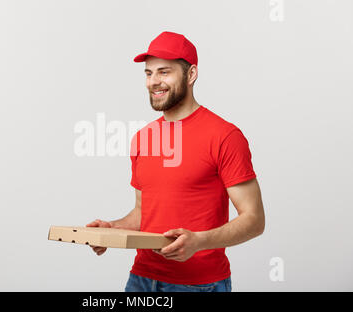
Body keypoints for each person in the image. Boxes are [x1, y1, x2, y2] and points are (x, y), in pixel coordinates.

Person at [86, 31, 265, 292]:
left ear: (191, 75)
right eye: (148, 73)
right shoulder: (143, 138)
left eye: (164, 72)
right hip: (141, 280)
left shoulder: (225, 136)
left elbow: (254, 219)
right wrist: (112, 228)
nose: (154, 82)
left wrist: (199, 241)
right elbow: (143, 213)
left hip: (198, 285)